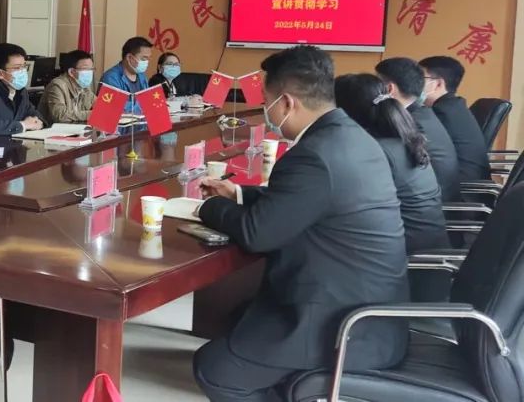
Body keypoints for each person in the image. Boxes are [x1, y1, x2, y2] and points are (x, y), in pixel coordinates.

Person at [195, 46, 408, 402]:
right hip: (373, 310)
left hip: (340, 323)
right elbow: (308, 201)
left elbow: (257, 234)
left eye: (266, 102)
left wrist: (208, 206)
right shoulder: (352, 137)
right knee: (239, 317)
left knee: (214, 370)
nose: (266, 111)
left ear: (286, 103)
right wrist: (239, 194)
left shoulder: (312, 155)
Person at [335, 74, 448, 255]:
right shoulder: (399, 139)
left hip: (409, 255)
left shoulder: (373, 151)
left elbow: (344, 204)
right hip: (423, 243)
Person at [376, 57, 460, 203]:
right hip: (431, 198)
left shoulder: (409, 122)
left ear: (389, 89)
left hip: (436, 204)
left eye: (377, 86)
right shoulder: (421, 113)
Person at [419, 56, 491, 182]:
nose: (413, 83)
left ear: (438, 84)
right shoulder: (452, 105)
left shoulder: (442, 112)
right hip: (459, 177)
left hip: (461, 185)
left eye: (419, 79)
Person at [39, 50, 95, 124]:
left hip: (73, 128)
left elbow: (100, 106)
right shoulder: (57, 86)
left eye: (91, 69)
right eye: (86, 69)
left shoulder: (84, 87)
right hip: (51, 129)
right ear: (71, 72)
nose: (90, 72)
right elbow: (60, 115)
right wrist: (91, 114)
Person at [100, 37, 152, 114]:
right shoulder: (110, 78)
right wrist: (148, 105)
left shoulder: (142, 76)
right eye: (144, 59)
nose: (147, 62)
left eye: (148, 59)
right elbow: (117, 107)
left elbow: (148, 99)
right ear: (129, 57)